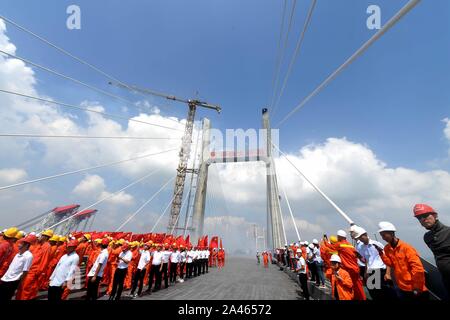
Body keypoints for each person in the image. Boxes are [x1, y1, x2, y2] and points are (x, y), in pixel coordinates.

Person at [377, 221, 429, 300]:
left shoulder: (406, 248)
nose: (383, 238)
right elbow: (391, 264)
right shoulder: (387, 248)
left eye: (384, 235)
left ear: (391, 233)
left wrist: (417, 287)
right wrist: (381, 254)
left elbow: (417, 268)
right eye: (381, 236)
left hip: (414, 287)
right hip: (402, 286)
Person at [413, 204, 450, 298]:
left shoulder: (448, 232)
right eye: (419, 218)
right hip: (446, 279)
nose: (422, 219)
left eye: (425, 216)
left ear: (435, 215)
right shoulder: (427, 237)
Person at [322, 230, 366, 300]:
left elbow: (329, 246)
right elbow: (356, 253)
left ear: (339, 237)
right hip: (355, 269)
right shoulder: (350, 245)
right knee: (358, 286)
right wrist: (361, 258)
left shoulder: (340, 244)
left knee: (346, 286)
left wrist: (325, 241)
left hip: (348, 269)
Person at [353, 226, 392, 301]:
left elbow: (387, 258)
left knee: (382, 294)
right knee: (373, 294)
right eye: (359, 238)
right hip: (370, 272)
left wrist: (388, 273)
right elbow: (367, 260)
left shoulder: (376, 244)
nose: (361, 239)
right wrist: (365, 272)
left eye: (361, 237)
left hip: (379, 271)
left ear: (366, 234)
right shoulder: (362, 248)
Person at [15, 229, 53, 300]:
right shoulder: (39, 244)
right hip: (28, 270)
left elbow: (44, 261)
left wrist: (38, 272)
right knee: (21, 288)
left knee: (26, 290)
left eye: (42, 235)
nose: (40, 236)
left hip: (33, 272)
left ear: (46, 237)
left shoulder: (47, 246)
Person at [0, 235, 34, 300]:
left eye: (21, 244)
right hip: (6, 278)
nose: (18, 245)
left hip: (13, 280)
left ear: (26, 245)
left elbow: (25, 271)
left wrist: (20, 283)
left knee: (6, 296)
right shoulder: (18, 254)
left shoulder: (28, 256)